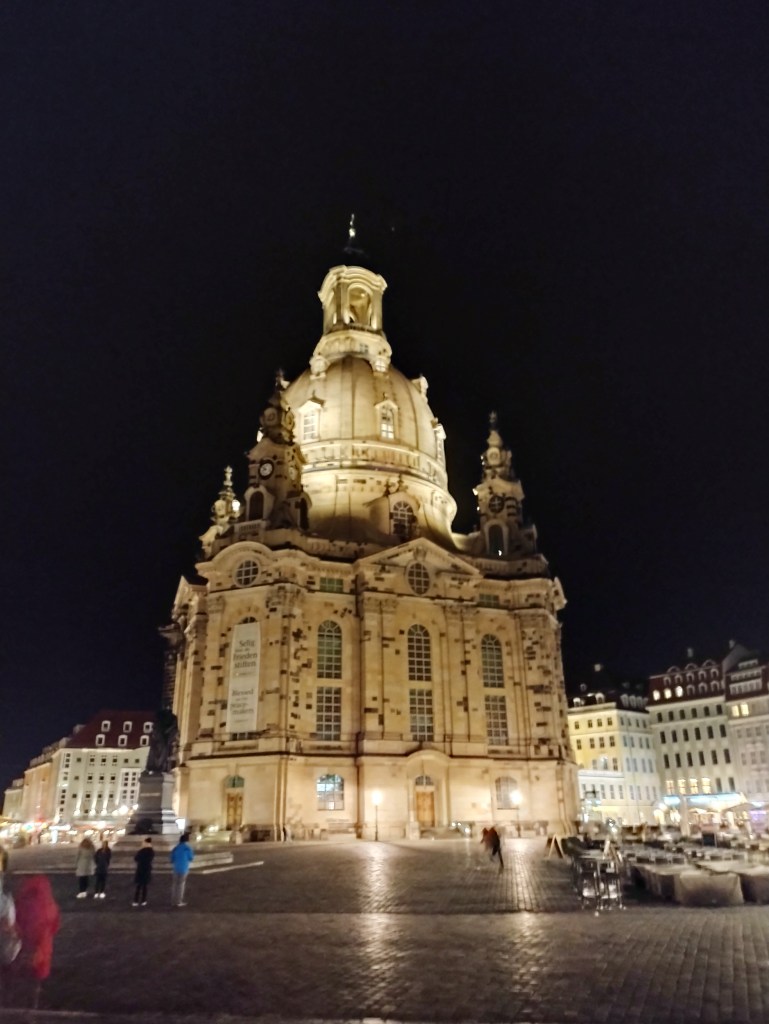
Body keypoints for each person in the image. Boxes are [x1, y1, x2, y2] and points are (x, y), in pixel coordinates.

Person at [9, 875, 60, 1009]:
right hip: (42, 948)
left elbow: (15, 921)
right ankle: (33, 1006)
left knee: (17, 978)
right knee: (36, 978)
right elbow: (55, 927)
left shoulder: (21, 903)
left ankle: (14, 1007)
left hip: (22, 945)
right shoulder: (51, 906)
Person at [169, 833, 195, 907]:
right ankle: (179, 901)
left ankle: (173, 900)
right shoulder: (187, 848)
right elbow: (191, 858)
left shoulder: (176, 848)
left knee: (175, 884)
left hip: (176, 868)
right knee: (181, 885)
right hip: (184, 868)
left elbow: (171, 859)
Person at [133, 837, 154, 907]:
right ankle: (143, 900)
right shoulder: (151, 851)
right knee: (145, 886)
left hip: (140, 869)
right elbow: (151, 859)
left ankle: (135, 901)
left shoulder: (141, 851)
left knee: (138, 886)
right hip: (147, 869)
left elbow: (136, 858)